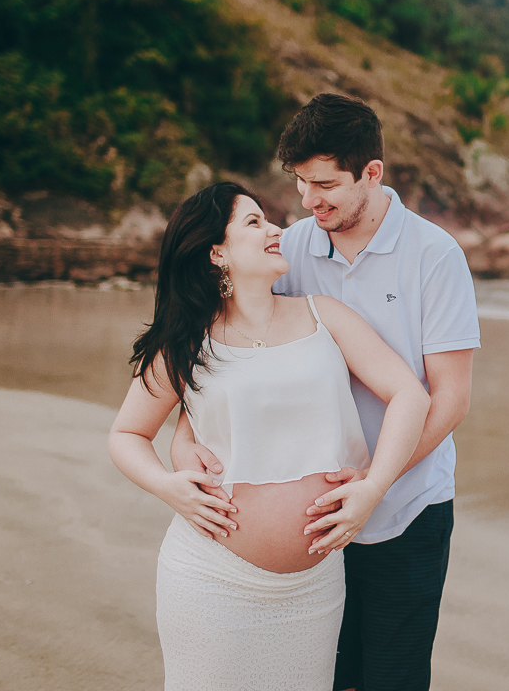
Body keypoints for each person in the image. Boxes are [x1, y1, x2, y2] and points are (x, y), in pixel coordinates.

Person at [173, 94, 480, 690]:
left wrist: (371, 483)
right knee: (321, 677)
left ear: (372, 173)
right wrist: (187, 446)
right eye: (300, 183)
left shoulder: (435, 256)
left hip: (406, 508)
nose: (309, 202)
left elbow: (448, 399)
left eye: (325, 185)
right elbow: (225, 356)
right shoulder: (289, 250)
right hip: (312, 531)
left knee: (393, 677)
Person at [108, 181, 430, 690]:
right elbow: (127, 433)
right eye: (254, 222)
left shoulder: (325, 315)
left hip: (315, 590)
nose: (276, 229)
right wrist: (168, 487)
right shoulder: (186, 342)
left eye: (269, 219)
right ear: (217, 252)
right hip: (213, 580)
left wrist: (373, 486)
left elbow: (411, 396)